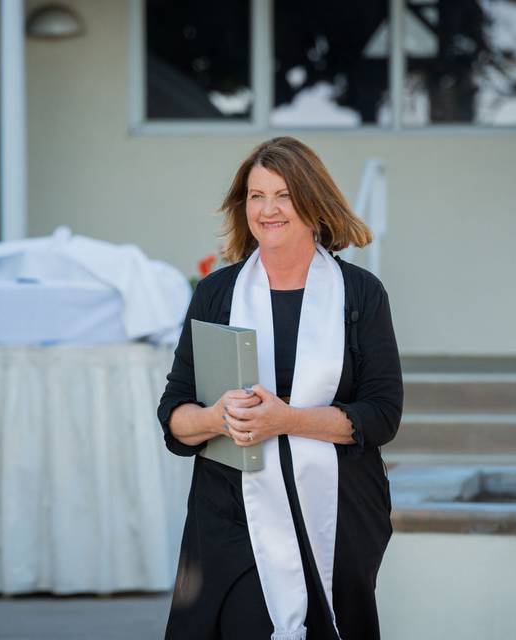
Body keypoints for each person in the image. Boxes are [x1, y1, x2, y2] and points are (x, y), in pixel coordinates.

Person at [157, 136, 403, 640]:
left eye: (284, 195)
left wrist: (287, 420)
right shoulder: (216, 293)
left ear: (314, 203)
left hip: (335, 516)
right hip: (232, 513)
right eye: (255, 195)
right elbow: (173, 415)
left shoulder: (359, 295)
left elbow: (381, 415)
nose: (267, 210)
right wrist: (217, 417)